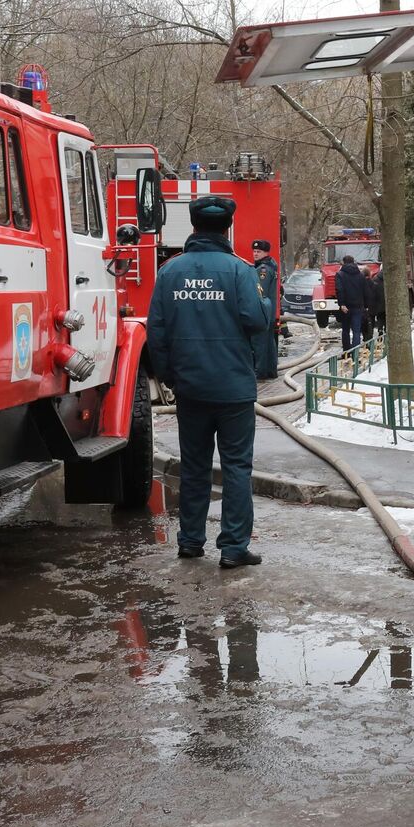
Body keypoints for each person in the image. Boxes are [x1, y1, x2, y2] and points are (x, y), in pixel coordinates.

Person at [147, 196, 271, 569]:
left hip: (191, 388)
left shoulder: (169, 273)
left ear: (193, 226)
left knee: (195, 466)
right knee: (236, 467)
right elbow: (257, 321)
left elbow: (157, 332)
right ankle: (233, 548)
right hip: (233, 388)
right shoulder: (239, 271)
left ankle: (190, 541)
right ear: (227, 228)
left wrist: (171, 376)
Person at [250, 239, 278, 381]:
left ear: (265, 252)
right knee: (268, 343)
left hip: (263, 311)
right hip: (269, 312)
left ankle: (260, 372)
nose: (255, 254)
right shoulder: (268, 266)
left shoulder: (263, 270)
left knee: (259, 343)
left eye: (258, 251)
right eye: (254, 251)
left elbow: (261, 293)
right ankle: (270, 371)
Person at [335, 253, 370, 349]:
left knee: (345, 330)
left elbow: (339, 290)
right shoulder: (360, 275)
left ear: (344, 263)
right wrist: (366, 305)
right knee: (356, 331)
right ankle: (355, 353)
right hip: (358, 306)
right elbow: (365, 291)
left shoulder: (340, 275)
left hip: (346, 307)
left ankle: (346, 352)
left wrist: (342, 304)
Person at [365, 263, 385, 343]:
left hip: (374, 303)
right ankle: (381, 331)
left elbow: (371, 292)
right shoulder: (390, 279)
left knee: (372, 320)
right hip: (384, 303)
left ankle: (370, 338)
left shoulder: (375, 279)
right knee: (381, 318)